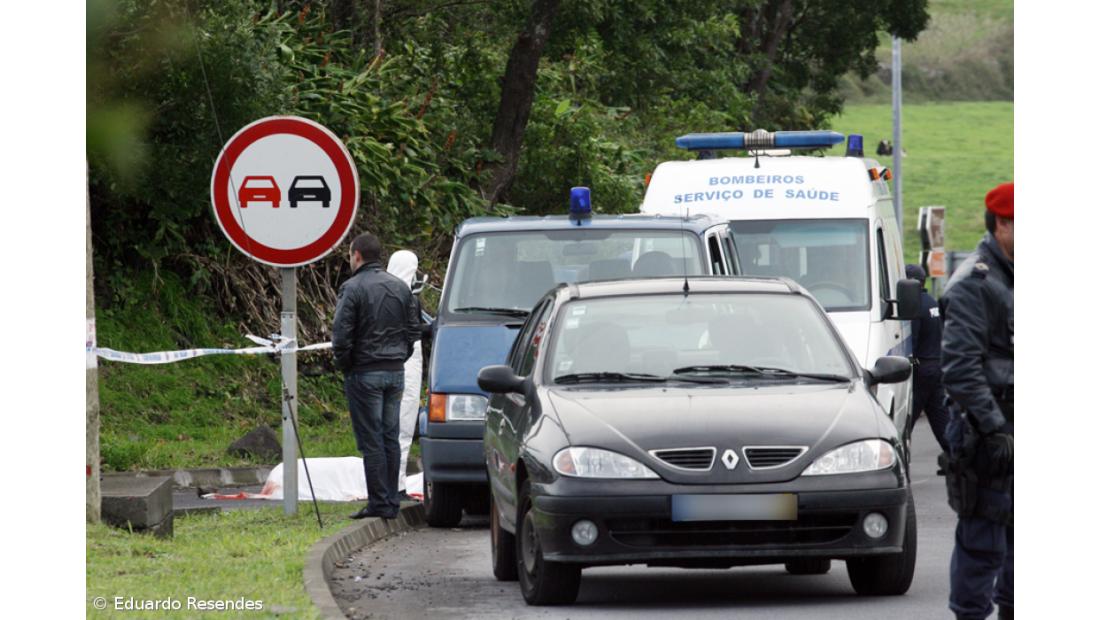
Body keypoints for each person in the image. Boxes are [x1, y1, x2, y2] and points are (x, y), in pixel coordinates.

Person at [939, 182, 1013, 619]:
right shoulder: (975, 282)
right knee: (983, 538)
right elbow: (960, 368)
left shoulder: (1012, 275)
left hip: (1011, 424)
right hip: (987, 431)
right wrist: (993, 427)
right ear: (1002, 224)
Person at [332, 233, 421, 520]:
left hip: (364, 372)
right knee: (390, 437)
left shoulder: (352, 288)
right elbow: (413, 332)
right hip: (395, 372)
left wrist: (347, 365)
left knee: (371, 440)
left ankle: (379, 502)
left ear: (356, 255)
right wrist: (398, 358)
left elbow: (341, 335)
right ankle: (392, 499)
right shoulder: (401, 288)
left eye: (349, 254)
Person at [386, 250, 424, 500]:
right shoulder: (408, 299)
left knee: (385, 426)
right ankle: (396, 486)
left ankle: (384, 486)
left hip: (378, 365)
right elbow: (414, 333)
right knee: (403, 423)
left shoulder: (376, 293)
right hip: (406, 364)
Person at [906, 263, 949, 452]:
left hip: (922, 367)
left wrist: (909, 364)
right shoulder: (932, 302)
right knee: (942, 421)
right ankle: (957, 457)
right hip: (937, 365)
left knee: (905, 422)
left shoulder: (914, 307)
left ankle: (897, 457)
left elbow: (911, 346)